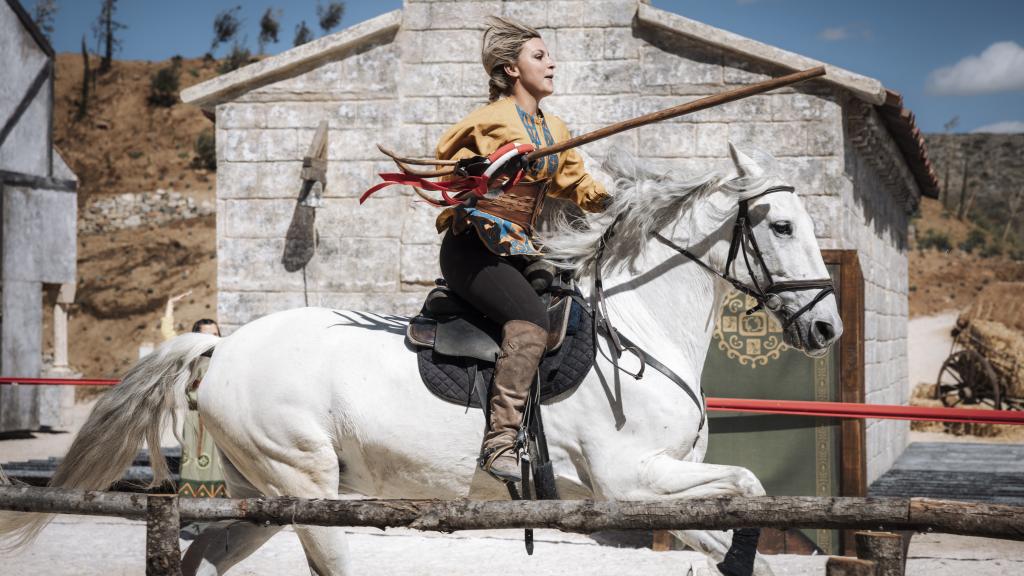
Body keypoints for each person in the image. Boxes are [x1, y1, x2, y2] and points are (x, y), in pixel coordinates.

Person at [434, 17, 609, 482]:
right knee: (531, 321)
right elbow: (446, 160)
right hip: (474, 247)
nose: (551, 63)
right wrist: (478, 170)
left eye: (549, 56)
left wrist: (611, 200)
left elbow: (577, 182)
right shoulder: (488, 119)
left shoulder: (555, 126)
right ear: (511, 70)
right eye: (539, 56)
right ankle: (499, 443)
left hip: (520, 250)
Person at [160, 292, 226, 506]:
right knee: (193, 464)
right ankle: (192, 509)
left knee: (220, 465)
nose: (212, 339)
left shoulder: (225, 355)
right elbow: (168, 335)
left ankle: (217, 510)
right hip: (194, 419)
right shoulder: (188, 356)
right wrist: (169, 306)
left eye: (216, 334)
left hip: (219, 418)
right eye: (207, 334)